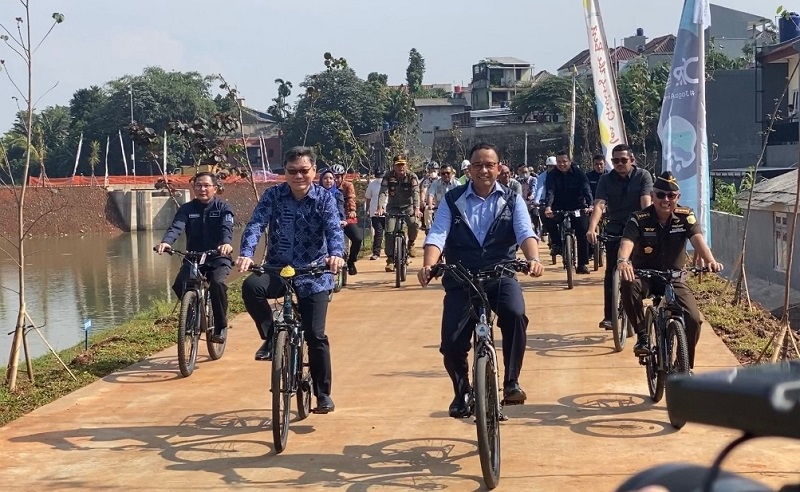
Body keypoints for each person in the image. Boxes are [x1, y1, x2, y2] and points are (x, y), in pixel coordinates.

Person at [418, 142, 545, 418]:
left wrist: (533, 259)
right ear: (469, 170)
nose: (483, 170)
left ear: (499, 168)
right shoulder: (452, 199)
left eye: (489, 165)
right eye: (478, 165)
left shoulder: (512, 199)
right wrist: (429, 264)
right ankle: (462, 391)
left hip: (500, 275)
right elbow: (438, 234)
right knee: (451, 344)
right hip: (461, 277)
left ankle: (511, 382)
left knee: (515, 315)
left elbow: (525, 232)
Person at [235, 146, 345, 413]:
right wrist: (247, 253)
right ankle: (272, 336)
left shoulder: (324, 199)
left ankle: (323, 394)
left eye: (304, 170)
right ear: (284, 172)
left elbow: (333, 229)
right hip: (277, 269)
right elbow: (256, 224)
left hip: (314, 273)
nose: (298, 176)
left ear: (314, 171)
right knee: (251, 287)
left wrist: (336, 255)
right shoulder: (273, 195)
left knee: (315, 335)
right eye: (292, 171)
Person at [617, 171, 723, 365]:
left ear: (677, 197)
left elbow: (698, 239)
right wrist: (623, 260)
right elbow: (627, 241)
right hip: (646, 276)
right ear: (652, 195)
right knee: (628, 284)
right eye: (660, 195)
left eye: (671, 196)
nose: (665, 200)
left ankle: (684, 364)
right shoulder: (639, 218)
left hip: (674, 278)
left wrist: (710, 260)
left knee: (693, 319)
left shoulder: (686, 216)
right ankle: (642, 335)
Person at [156, 172, 234, 344]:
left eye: (206, 185)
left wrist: (226, 243)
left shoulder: (223, 208)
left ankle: (220, 326)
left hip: (218, 256)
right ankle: (191, 314)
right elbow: (176, 227)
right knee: (179, 284)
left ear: (215, 188)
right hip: (194, 257)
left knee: (217, 284)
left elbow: (226, 228)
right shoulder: (187, 209)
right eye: (198, 185)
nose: (202, 189)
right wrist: (166, 242)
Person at [587, 144, 653, 330]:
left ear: (632, 160)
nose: (619, 164)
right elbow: (599, 205)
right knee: (612, 271)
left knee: (641, 270)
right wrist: (592, 228)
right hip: (615, 228)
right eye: (615, 160)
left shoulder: (643, 176)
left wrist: (648, 227)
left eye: (623, 160)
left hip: (637, 227)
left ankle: (642, 308)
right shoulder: (605, 179)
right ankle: (610, 316)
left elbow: (646, 202)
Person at [544, 150, 593, 274]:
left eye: (564, 161)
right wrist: (548, 207)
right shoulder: (552, 175)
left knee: (583, 230)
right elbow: (550, 192)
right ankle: (556, 244)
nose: (562, 164)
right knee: (545, 216)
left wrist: (590, 205)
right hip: (558, 207)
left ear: (570, 161)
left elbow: (586, 189)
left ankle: (582, 264)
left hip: (577, 207)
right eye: (559, 162)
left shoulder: (579, 174)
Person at [377, 155, 421, 272]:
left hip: (408, 207)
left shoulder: (412, 176)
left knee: (414, 224)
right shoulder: (388, 176)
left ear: (406, 165)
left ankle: (411, 243)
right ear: (394, 166)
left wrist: (416, 208)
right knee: (389, 232)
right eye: (398, 165)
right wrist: (380, 207)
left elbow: (416, 192)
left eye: (403, 165)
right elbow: (383, 192)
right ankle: (390, 259)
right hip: (393, 208)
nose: (401, 167)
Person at [332, 164, 363, 275]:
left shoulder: (348, 186)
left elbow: (351, 198)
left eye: (337, 177)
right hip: (330, 220)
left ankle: (351, 261)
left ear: (343, 177)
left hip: (345, 218)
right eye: (332, 177)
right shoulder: (324, 187)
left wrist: (352, 210)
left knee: (357, 239)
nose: (335, 180)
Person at [533, 156, 557, 241]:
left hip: (558, 200)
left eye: (554, 166)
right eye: (550, 166)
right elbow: (539, 188)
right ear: (546, 167)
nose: (552, 168)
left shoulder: (561, 175)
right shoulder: (542, 177)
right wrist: (536, 200)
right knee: (542, 210)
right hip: (545, 200)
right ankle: (545, 227)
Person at [364, 170, 385, 260]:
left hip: (388, 212)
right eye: (378, 176)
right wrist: (367, 210)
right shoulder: (372, 184)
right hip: (375, 212)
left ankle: (392, 252)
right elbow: (368, 198)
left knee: (390, 233)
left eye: (381, 176)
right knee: (378, 232)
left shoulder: (388, 183)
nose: (379, 178)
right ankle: (376, 253)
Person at [419, 161, 440, 232]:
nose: (433, 172)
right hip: (429, 203)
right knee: (426, 210)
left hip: (440, 203)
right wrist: (422, 201)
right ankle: (428, 228)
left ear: (438, 171)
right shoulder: (426, 181)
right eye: (431, 171)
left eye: (434, 170)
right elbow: (423, 191)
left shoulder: (441, 180)